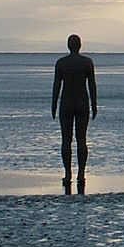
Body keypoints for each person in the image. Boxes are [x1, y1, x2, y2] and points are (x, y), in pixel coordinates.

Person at [51, 34, 97, 193]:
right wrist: (94, 104)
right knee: (81, 139)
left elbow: (56, 86)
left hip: (66, 104)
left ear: (68, 45)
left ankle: (68, 173)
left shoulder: (61, 63)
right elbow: (92, 85)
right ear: (80, 45)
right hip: (82, 103)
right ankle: (80, 174)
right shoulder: (87, 62)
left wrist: (53, 105)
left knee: (66, 140)